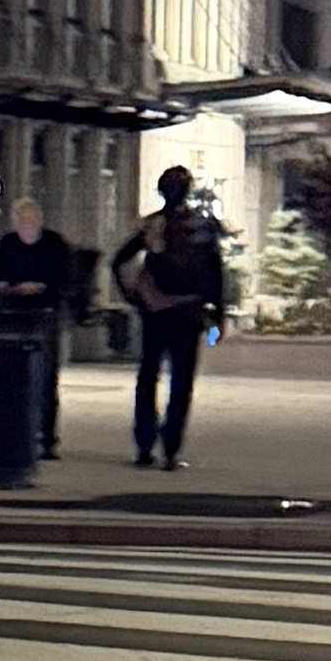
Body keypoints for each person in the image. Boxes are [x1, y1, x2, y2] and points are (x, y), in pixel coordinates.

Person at [111, 166, 228, 470]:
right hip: (189, 314)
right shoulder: (203, 226)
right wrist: (217, 314)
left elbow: (118, 261)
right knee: (181, 382)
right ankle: (171, 450)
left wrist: (134, 297)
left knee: (148, 377)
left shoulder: (153, 225)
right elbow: (216, 274)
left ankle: (144, 445)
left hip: (155, 312)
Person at [0, 194, 77, 460]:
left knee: (45, 377)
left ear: (38, 220)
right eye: (20, 221)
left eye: (29, 220)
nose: (25, 225)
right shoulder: (8, 244)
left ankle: (47, 437)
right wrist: (6, 287)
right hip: (14, 314)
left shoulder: (54, 245)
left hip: (44, 314)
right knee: (15, 379)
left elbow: (64, 279)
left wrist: (41, 288)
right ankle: (19, 432)